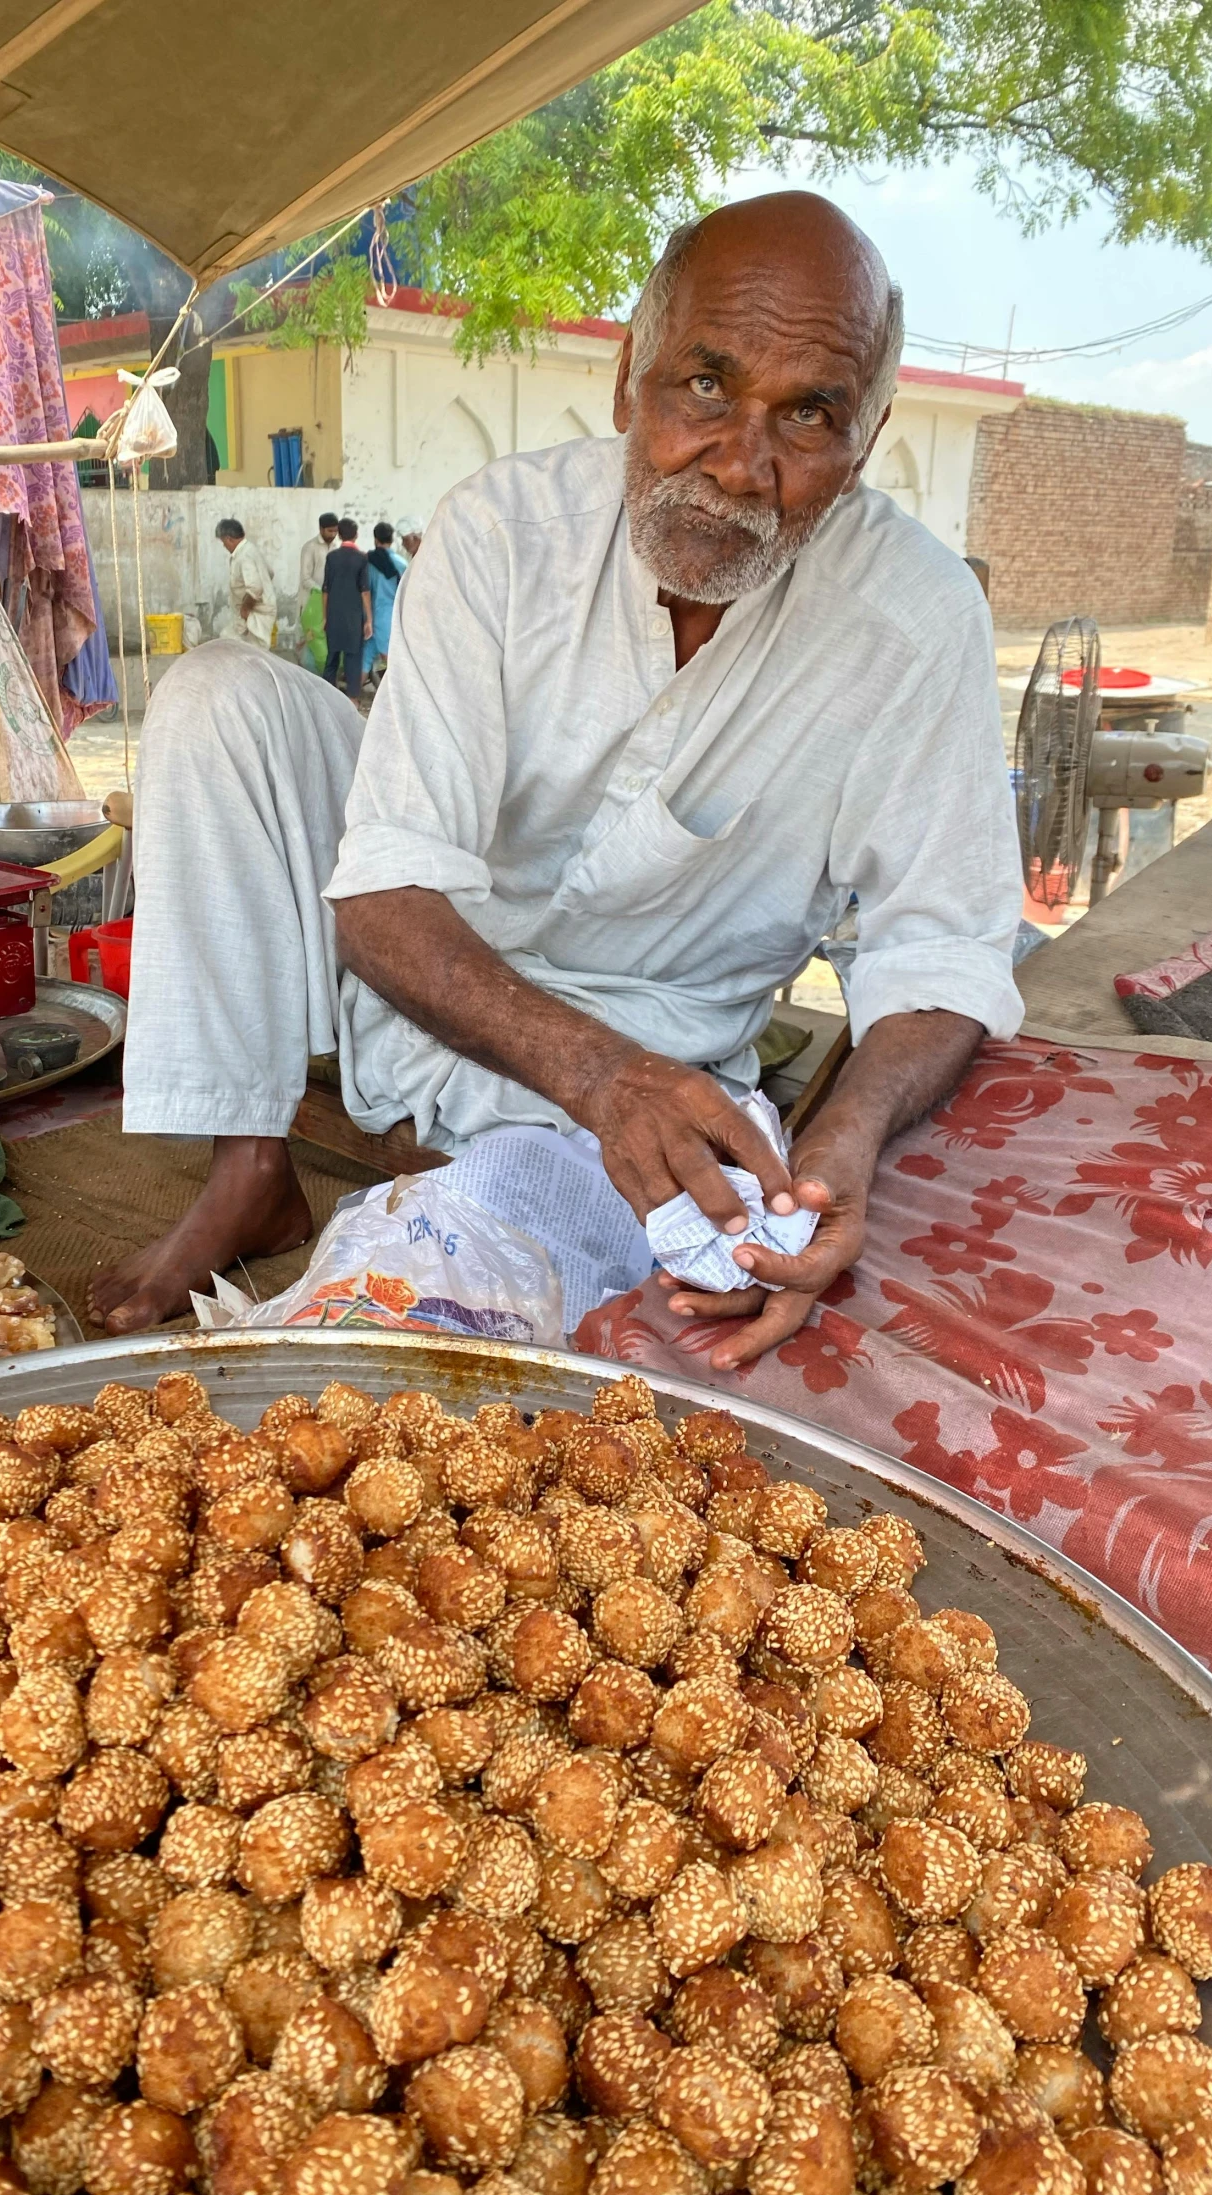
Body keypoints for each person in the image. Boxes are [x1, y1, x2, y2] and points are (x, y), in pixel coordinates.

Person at [92, 192, 1024, 1349]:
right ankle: (247, 1164)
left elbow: (944, 942)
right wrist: (595, 1074)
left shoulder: (916, 615)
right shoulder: (505, 526)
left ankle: (514, 1172)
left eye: (810, 415)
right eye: (705, 386)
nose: (741, 463)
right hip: (426, 961)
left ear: (866, 442)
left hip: (665, 1042)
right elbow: (383, 890)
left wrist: (845, 1135)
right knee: (218, 695)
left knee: (577, 1251)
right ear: (630, 371)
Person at [321, 517, 371, 702]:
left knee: (332, 655)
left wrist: (325, 617)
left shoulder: (331, 558)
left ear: (339, 535)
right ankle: (353, 700)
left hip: (334, 614)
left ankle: (327, 696)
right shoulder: (361, 559)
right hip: (353, 616)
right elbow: (365, 592)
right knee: (353, 657)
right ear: (356, 535)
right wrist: (369, 620)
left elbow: (325, 590)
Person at [213, 519, 274, 647]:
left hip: (255, 614)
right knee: (229, 639)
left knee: (251, 654)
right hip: (253, 613)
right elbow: (269, 573)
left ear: (229, 539)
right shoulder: (250, 549)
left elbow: (255, 588)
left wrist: (245, 609)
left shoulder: (245, 556)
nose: (224, 546)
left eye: (224, 542)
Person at [363, 522, 404, 679]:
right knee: (390, 659)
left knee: (365, 658)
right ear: (392, 539)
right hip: (388, 617)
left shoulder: (367, 561)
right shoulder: (401, 564)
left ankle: (352, 696)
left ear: (375, 539)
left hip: (369, 616)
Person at [298, 512, 338, 671]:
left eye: (335, 531)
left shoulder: (336, 547)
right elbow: (305, 578)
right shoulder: (310, 547)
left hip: (329, 603)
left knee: (323, 640)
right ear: (321, 529)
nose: (333, 535)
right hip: (311, 603)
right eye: (330, 531)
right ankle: (306, 679)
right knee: (309, 640)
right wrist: (323, 591)